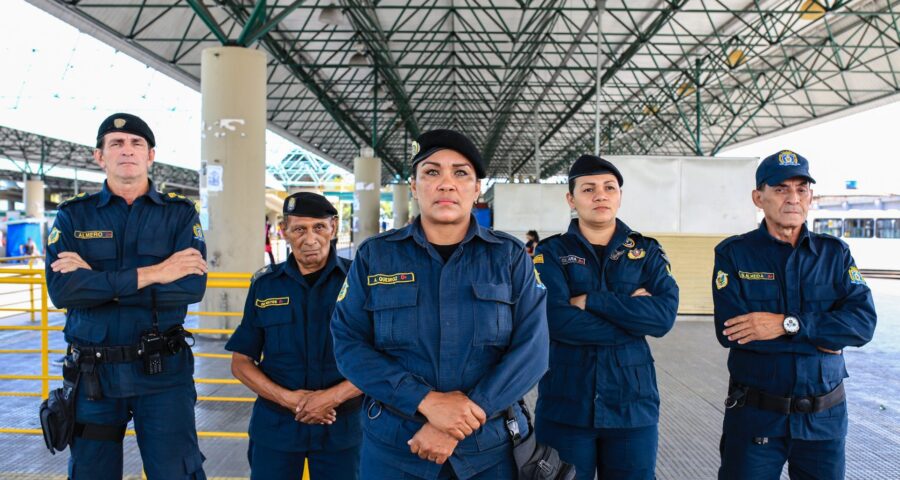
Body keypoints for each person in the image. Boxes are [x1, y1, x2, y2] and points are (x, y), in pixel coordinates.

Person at [331, 129, 549, 479]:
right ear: (414, 187)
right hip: (395, 449)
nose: (446, 183)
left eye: (460, 173)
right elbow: (348, 344)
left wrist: (457, 420)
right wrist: (426, 402)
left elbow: (533, 351)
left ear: (477, 188)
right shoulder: (376, 256)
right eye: (432, 172)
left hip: (490, 452)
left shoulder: (509, 258)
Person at [45, 113, 208, 479]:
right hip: (93, 377)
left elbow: (190, 287)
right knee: (91, 473)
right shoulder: (74, 216)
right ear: (99, 157)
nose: (127, 150)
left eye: (136, 144)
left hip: (163, 374)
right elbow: (63, 290)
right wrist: (155, 273)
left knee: (176, 472)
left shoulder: (179, 215)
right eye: (116, 144)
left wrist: (97, 283)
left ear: (151, 155)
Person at [713, 150, 877, 479]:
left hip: (823, 423)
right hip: (756, 419)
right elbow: (732, 333)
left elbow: (862, 325)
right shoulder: (735, 254)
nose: (793, 198)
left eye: (801, 189)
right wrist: (824, 336)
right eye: (781, 189)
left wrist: (785, 325)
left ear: (810, 197)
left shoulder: (835, 255)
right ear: (758, 198)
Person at [533, 154, 679, 479]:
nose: (600, 195)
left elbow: (663, 317)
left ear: (619, 196)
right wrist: (632, 319)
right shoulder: (550, 253)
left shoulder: (647, 252)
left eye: (609, 187)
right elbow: (555, 320)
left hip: (632, 408)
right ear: (571, 199)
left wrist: (593, 301)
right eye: (588, 189)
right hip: (566, 406)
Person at [226, 192, 362, 480]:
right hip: (277, 427)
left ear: (333, 228)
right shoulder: (265, 286)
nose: (310, 238)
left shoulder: (359, 282)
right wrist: (289, 400)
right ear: (284, 231)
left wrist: (332, 398)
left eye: (319, 227)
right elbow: (241, 362)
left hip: (344, 427)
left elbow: (380, 356)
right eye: (299, 229)